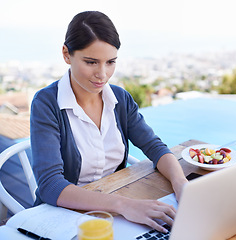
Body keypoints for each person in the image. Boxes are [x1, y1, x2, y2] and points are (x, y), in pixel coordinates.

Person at [30, 10, 188, 233]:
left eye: (110, 62)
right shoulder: (46, 104)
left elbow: (155, 147)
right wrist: (125, 206)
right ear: (66, 54)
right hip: (64, 217)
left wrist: (180, 183)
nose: (102, 74)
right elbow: (50, 185)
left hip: (114, 210)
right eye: (91, 62)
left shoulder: (120, 99)